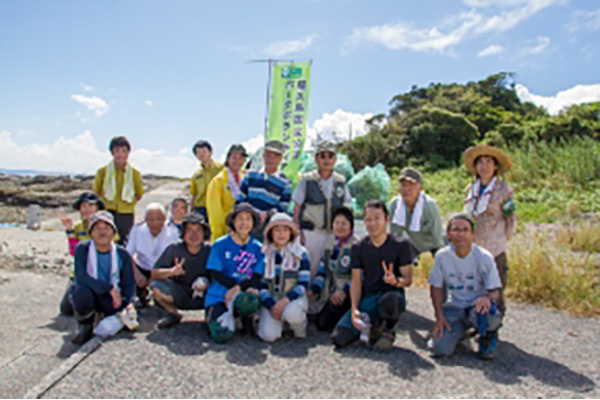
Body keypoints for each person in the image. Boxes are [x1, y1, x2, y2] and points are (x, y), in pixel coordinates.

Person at [331, 200, 414, 352]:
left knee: (391, 300)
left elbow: (408, 280)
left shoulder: (400, 245)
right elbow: (355, 281)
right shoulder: (359, 247)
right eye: (368, 219)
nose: (373, 223)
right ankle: (373, 327)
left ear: (386, 220)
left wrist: (395, 281)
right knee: (338, 338)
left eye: (377, 218)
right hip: (368, 298)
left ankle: (387, 331)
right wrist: (355, 309)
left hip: (391, 294)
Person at [428, 213, 503, 359]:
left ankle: (488, 335)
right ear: (449, 234)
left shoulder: (484, 257)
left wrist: (487, 298)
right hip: (455, 308)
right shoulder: (441, 257)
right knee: (439, 349)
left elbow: (495, 290)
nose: (460, 234)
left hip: (477, 308)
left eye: (465, 230)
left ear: (473, 234)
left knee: (488, 316)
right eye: (456, 230)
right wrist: (439, 316)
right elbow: (436, 287)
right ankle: (459, 333)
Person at [462, 145, 516, 315]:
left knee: (496, 287)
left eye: (489, 162)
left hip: (495, 247)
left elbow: (511, 218)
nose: (484, 167)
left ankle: (494, 324)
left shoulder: (504, 190)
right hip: (475, 247)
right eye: (481, 163)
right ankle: (476, 320)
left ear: (495, 167)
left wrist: (502, 239)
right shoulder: (470, 190)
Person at [69, 211, 136, 344]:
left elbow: (129, 283)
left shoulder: (122, 254)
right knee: (80, 293)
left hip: (112, 298)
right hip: (93, 292)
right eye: (97, 229)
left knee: (118, 316)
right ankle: (85, 327)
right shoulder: (82, 250)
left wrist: (130, 303)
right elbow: (81, 277)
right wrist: (109, 288)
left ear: (113, 232)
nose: (102, 232)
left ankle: (104, 316)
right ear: (91, 233)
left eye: (106, 228)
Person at [292, 140, 352, 283]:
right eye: (322, 156)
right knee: (311, 270)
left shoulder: (341, 181)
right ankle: (308, 301)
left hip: (334, 234)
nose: (326, 160)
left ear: (335, 160)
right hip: (312, 232)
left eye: (330, 156)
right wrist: (298, 231)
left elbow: (347, 207)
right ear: (316, 159)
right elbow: (297, 206)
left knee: (332, 270)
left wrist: (346, 234)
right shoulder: (307, 180)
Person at [204, 203, 264, 343]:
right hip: (220, 293)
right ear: (233, 221)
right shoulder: (220, 244)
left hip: (243, 291)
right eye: (240, 218)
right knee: (221, 335)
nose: (244, 223)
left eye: (248, 219)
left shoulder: (258, 247)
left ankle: (246, 318)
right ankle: (218, 316)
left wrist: (238, 288)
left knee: (248, 300)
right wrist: (231, 287)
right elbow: (214, 272)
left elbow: (256, 276)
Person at [151, 213, 211, 329]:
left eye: (198, 230)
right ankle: (173, 313)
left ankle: (213, 316)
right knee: (156, 287)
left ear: (204, 233)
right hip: (180, 293)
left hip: (205, 295)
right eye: (189, 230)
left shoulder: (211, 250)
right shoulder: (174, 249)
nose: (194, 234)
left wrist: (207, 283)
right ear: (183, 233)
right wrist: (171, 272)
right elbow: (154, 273)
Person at [257, 213, 311, 342]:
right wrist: (271, 305)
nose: (281, 234)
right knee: (269, 336)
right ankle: (277, 322)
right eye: (277, 230)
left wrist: (285, 301)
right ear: (270, 233)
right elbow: (261, 284)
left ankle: (299, 327)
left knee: (292, 314)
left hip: (292, 297)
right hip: (271, 298)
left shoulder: (301, 253)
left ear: (291, 233)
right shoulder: (264, 253)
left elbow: (303, 284)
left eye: (285, 230)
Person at [58, 191, 113, 316]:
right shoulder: (78, 227)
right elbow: (73, 252)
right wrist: (69, 231)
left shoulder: (107, 226)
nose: (87, 210)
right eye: (83, 206)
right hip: (80, 273)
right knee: (66, 309)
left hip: (101, 273)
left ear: (98, 208)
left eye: (91, 206)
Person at [310, 206, 360, 331]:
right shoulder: (328, 244)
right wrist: (314, 289)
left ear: (351, 226)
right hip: (332, 294)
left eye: (344, 223)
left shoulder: (357, 246)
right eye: (337, 223)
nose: (340, 227)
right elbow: (322, 270)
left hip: (348, 294)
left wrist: (344, 291)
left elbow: (359, 275)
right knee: (322, 325)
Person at [236, 139, 292, 240]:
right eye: (268, 155)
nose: (271, 159)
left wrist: (268, 213)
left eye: (275, 156)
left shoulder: (284, 182)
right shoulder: (251, 175)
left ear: (280, 159)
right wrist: (248, 214)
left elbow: (283, 207)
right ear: (264, 156)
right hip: (246, 226)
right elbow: (240, 199)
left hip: (268, 228)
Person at [94, 136, 145, 245]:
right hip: (108, 211)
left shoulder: (135, 173)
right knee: (106, 241)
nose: (120, 154)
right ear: (112, 153)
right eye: (117, 151)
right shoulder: (102, 172)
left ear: (128, 153)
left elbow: (139, 193)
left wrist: (127, 202)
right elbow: (97, 192)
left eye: (124, 151)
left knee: (125, 242)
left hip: (126, 213)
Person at [126, 203, 179, 307]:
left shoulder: (173, 232)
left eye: (159, 219)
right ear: (145, 220)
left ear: (165, 219)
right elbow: (127, 255)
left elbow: (176, 259)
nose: (155, 223)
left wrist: (157, 276)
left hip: (163, 271)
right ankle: (138, 295)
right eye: (151, 219)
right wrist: (137, 274)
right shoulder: (137, 230)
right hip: (143, 268)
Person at [389, 168, 444, 260]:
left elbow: (438, 239)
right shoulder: (395, 206)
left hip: (433, 247)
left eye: (411, 185)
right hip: (413, 246)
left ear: (419, 188)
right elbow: (395, 236)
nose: (406, 189)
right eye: (403, 185)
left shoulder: (429, 206)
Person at [206, 144, 248, 242]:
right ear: (228, 159)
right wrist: (220, 234)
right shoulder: (218, 181)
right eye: (234, 157)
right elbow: (214, 212)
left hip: (242, 231)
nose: (237, 161)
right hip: (224, 231)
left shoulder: (245, 177)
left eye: (240, 158)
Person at [190, 140, 223, 222]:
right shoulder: (196, 175)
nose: (202, 154)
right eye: (198, 152)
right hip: (200, 209)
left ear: (210, 152)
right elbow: (194, 195)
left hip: (217, 206)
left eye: (204, 151)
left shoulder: (221, 168)